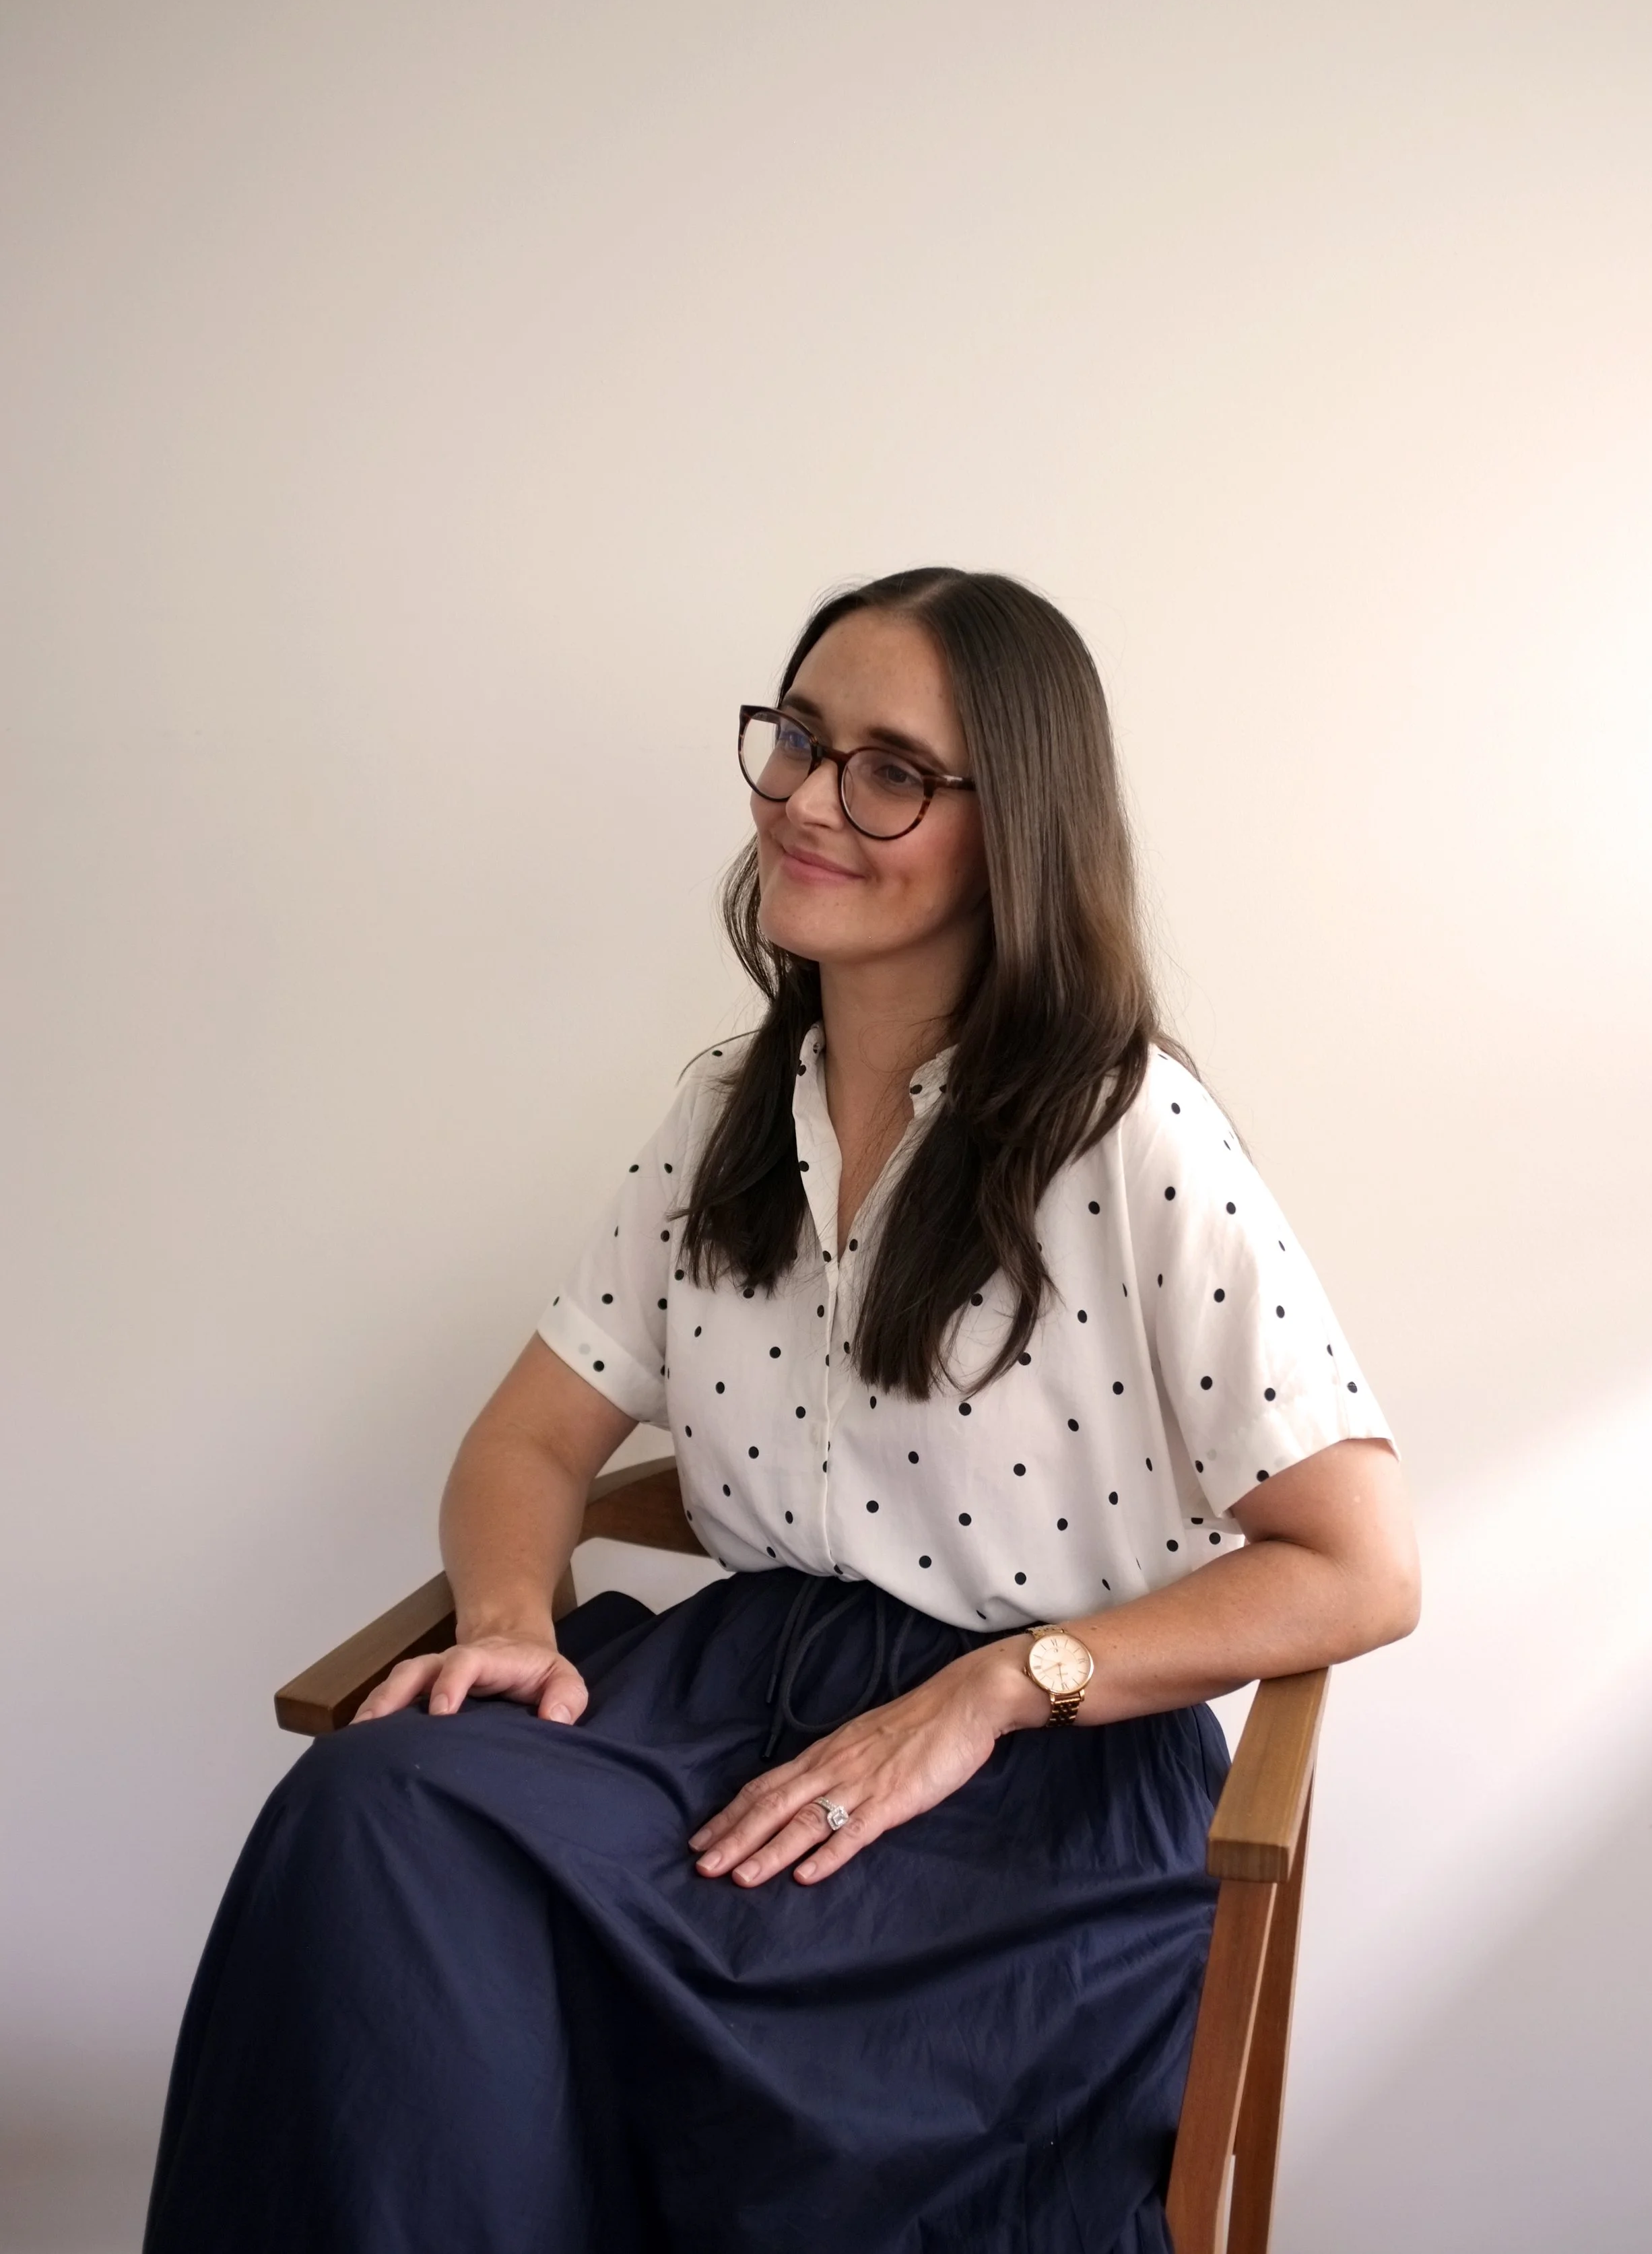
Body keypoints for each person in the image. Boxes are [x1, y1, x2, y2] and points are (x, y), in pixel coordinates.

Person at [143, 567, 1419, 2254]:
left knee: (852, 2097)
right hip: (718, 1706)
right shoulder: (727, 1111)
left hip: (1031, 1779)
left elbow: (1358, 1563)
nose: (812, 798)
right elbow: (528, 1440)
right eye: (800, 739)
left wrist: (996, 1689)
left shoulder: (1125, 1134)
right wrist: (516, 1619)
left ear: (1012, 827)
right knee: (375, 1815)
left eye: (888, 766)